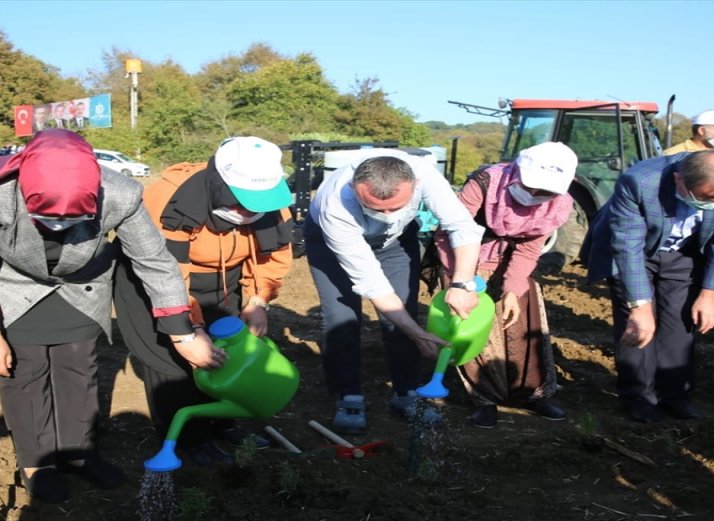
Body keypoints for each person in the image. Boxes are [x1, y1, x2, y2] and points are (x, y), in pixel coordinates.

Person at [0, 129, 214, 503]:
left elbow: (155, 261)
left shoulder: (120, 193)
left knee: (78, 368)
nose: (59, 226)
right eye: (46, 217)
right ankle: (38, 462)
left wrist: (182, 333)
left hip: (83, 285)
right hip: (15, 285)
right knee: (26, 372)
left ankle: (80, 452)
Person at [115, 136, 293, 463]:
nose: (251, 210)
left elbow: (274, 255)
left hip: (224, 278)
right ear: (220, 183)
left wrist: (258, 300)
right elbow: (164, 272)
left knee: (226, 350)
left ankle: (221, 425)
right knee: (176, 360)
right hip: (157, 279)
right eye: (243, 200)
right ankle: (187, 438)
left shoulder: (272, 198)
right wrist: (186, 331)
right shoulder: (172, 198)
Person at [306, 151, 484, 434]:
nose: (387, 215)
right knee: (341, 315)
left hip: (397, 242)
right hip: (331, 244)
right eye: (377, 208)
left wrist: (462, 283)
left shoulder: (425, 174)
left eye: (395, 207)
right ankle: (348, 396)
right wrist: (417, 333)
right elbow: (372, 283)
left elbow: (462, 226)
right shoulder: (335, 207)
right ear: (355, 188)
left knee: (403, 311)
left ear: (415, 185)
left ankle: (407, 393)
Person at [583, 149, 714, 423]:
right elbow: (628, 245)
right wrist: (640, 306)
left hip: (684, 252)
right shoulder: (640, 181)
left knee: (680, 321)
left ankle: (675, 395)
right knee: (638, 325)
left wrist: (709, 295)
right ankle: (638, 397)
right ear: (679, 179)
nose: (710, 205)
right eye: (702, 199)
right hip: (636, 249)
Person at [436, 142, 576, 427]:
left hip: (512, 265)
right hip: (465, 261)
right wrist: (463, 281)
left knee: (523, 327)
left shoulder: (559, 203)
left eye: (545, 191)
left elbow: (528, 249)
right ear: (517, 171)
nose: (535, 195)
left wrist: (513, 289)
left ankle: (534, 394)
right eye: (531, 186)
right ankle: (485, 399)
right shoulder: (485, 184)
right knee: (474, 330)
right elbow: (449, 230)